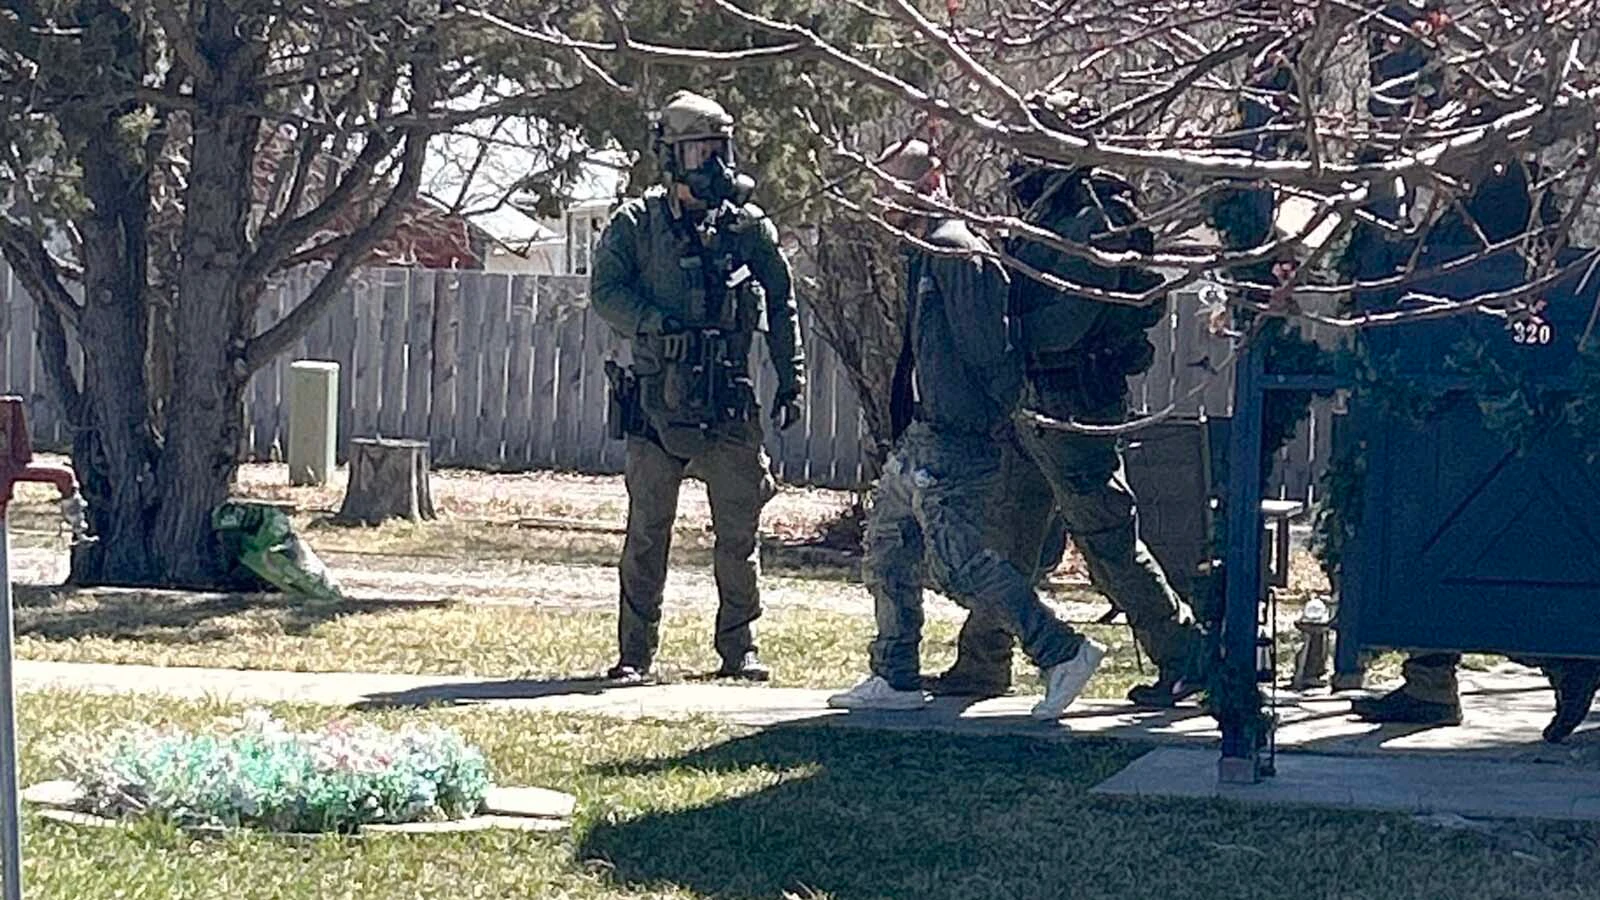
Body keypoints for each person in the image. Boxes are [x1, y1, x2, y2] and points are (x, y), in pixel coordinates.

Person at [927, 92, 1211, 706]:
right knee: (1009, 534)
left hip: (1073, 405)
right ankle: (983, 659)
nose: (1017, 165)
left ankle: (1185, 657)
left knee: (1106, 540)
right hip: (1035, 403)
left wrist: (1006, 333)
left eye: (1031, 147)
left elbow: (1069, 321)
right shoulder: (1053, 217)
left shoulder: (1095, 220)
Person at [826, 139, 1105, 719]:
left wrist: (981, 417)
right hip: (924, 436)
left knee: (961, 565)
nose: (885, 202)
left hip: (958, 439)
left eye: (894, 188)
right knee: (887, 550)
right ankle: (894, 675)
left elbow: (991, 352)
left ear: (929, 184)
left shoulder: (957, 251)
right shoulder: (924, 251)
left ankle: (1063, 651)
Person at [591, 90, 806, 684]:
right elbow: (604, 291)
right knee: (646, 535)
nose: (711, 162)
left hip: (730, 402)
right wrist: (655, 323)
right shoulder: (638, 222)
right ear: (671, 155)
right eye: (697, 151)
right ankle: (635, 654)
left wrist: (792, 379)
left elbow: (782, 302)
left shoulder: (746, 226)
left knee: (739, 536)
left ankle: (739, 649)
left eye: (718, 148)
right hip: (659, 405)